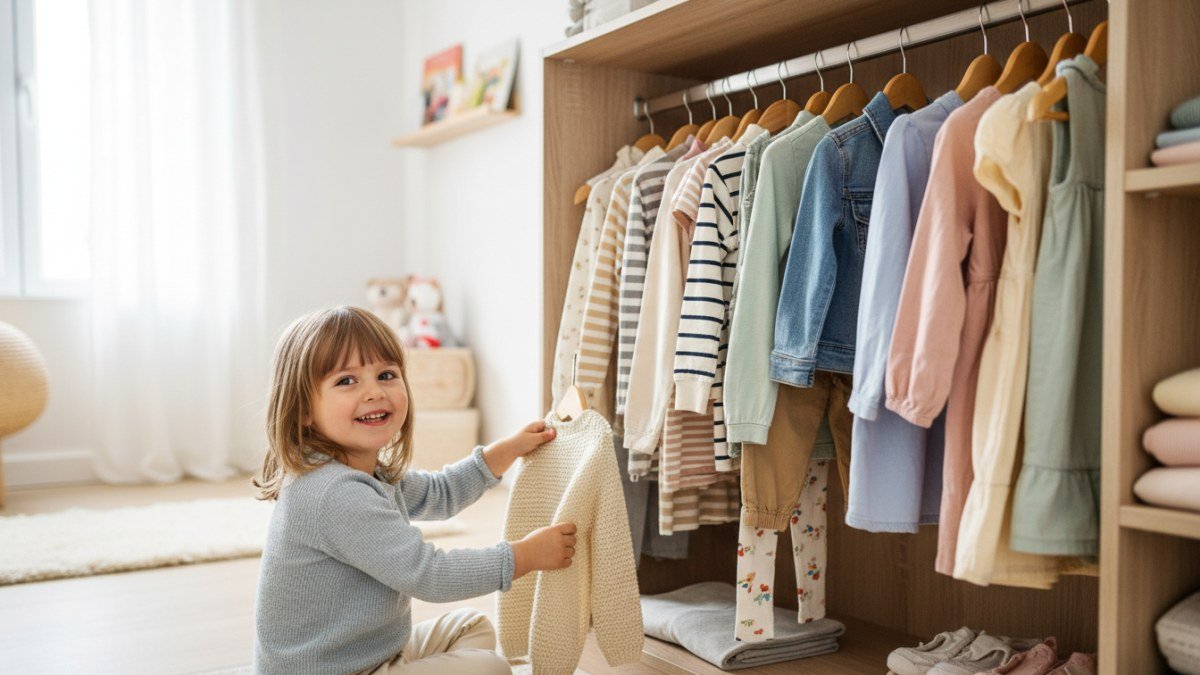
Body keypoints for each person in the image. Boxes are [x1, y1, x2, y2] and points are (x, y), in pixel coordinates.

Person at [252, 305, 575, 674]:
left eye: (386, 375)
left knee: (471, 626)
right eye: (346, 381)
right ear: (303, 409)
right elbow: (429, 575)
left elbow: (440, 493)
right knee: (490, 668)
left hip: (368, 655)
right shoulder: (334, 494)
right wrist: (524, 556)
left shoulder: (364, 472)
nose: (374, 392)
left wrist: (504, 452)